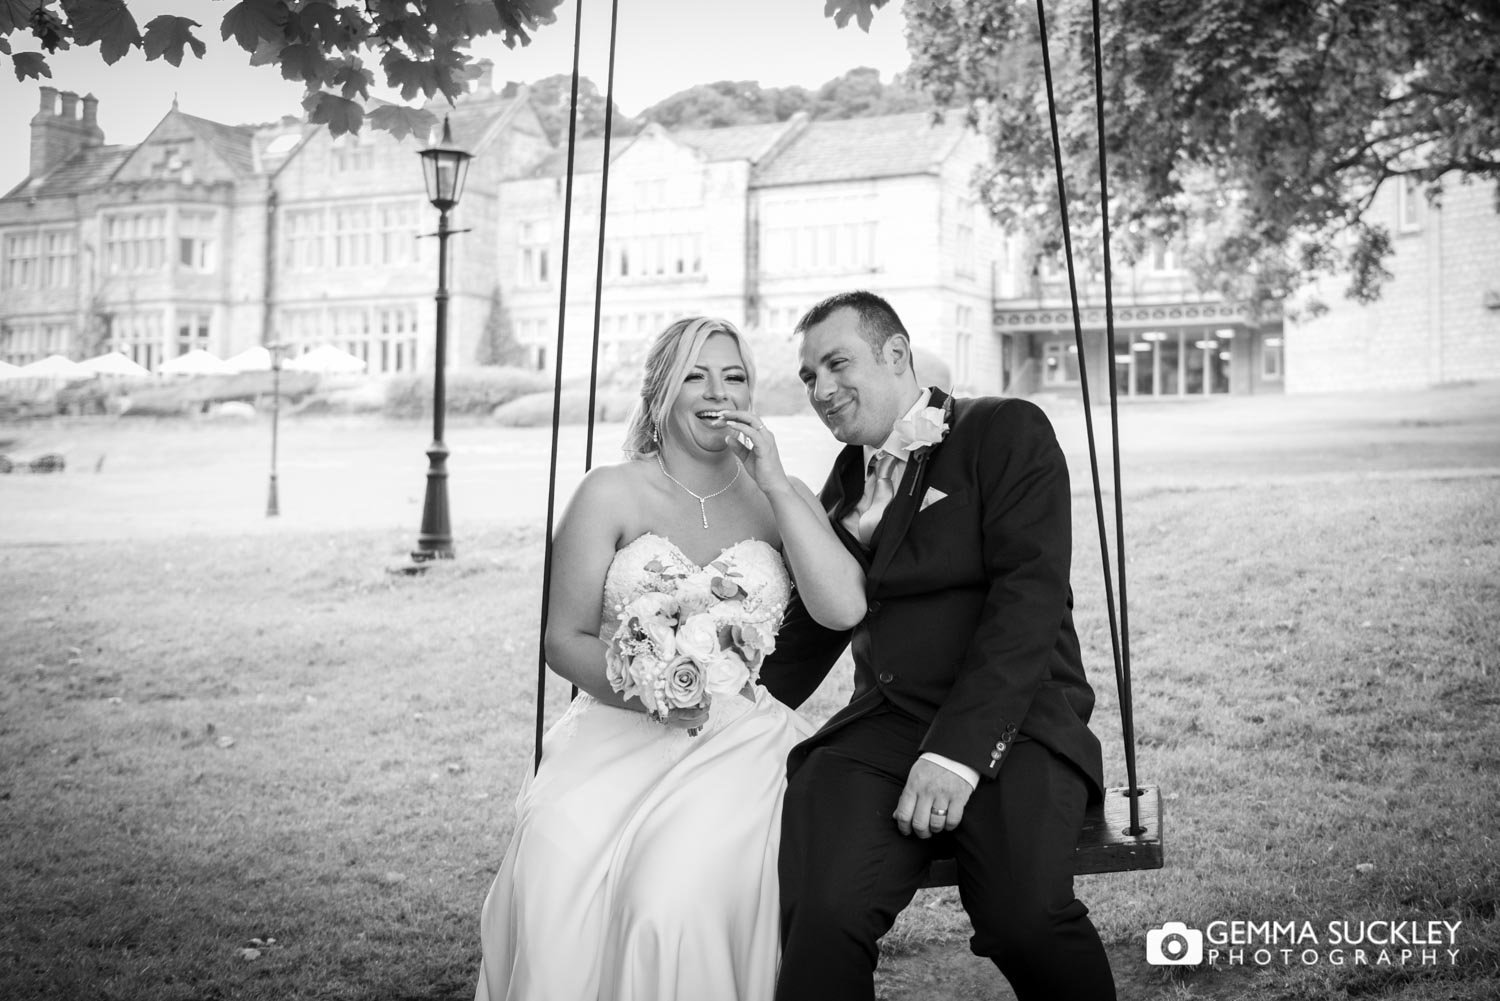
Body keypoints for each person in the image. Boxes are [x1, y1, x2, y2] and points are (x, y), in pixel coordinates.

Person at [473, 316, 865, 1001]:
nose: (718, 390)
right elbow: (563, 638)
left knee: (670, 896)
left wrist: (774, 481)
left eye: (734, 375)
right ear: (662, 390)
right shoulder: (610, 492)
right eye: (696, 374)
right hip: (617, 728)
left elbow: (842, 608)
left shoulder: (779, 494)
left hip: (740, 742)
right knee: (556, 862)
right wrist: (650, 688)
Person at [759, 291, 1117, 1001]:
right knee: (821, 912)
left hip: (1014, 721)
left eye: (837, 364)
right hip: (883, 726)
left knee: (1024, 918)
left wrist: (956, 753)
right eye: (808, 377)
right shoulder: (844, 482)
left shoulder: (1004, 431)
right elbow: (818, 627)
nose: (821, 390)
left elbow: (1029, 598)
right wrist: (714, 700)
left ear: (896, 354)